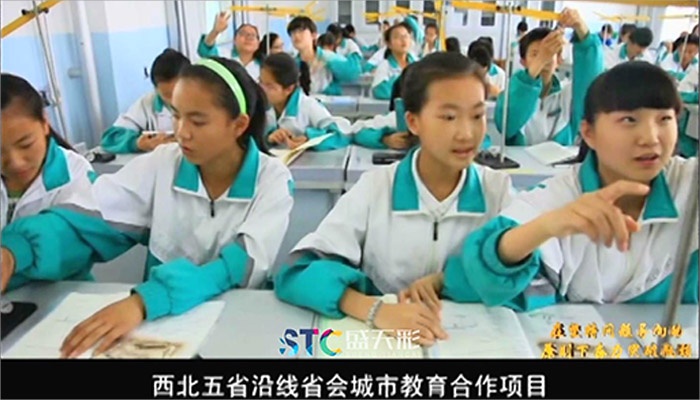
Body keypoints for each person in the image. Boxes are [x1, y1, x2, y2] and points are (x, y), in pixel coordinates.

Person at [0, 57, 295, 357]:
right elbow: (87, 220)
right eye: (176, 116)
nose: (182, 132)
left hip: (238, 322)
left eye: (197, 121)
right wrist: (14, 252)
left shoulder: (272, 179)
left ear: (239, 125)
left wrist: (146, 301)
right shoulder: (163, 164)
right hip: (164, 328)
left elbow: (239, 265)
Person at [275, 52, 514, 345]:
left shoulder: (497, 192)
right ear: (413, 121)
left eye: (477, 116)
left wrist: (448, 282)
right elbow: (298, 271)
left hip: (467, 343)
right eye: (449, 117)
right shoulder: (376, 189)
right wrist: (375, 310)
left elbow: (534, 282)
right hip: (387, 342)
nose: (467, 133)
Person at [439, 62, 698, 311]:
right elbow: (478, 270)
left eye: (664, 119)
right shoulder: (559, 198)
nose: (650, 138)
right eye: (629, 120)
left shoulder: (690, 185)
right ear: (589, 133)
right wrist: (547, 227)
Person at [1, 73, 97, 291]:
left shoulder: (75, 172)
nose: (15, 162)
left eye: (25, 144)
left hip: (64, 294)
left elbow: (73, 246)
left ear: (45, 123)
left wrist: (12, 258)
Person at [495, 9, 604, 146]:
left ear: (559, 60)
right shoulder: (511, 93)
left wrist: (581, 28)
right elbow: (506, 126)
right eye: (535, 54)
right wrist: (539, 62)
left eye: (549, 54)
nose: (544, 59)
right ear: (523, 61)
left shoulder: (568, 96)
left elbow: (591, 81)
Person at [101, 49, 190, 154]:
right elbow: (111, 137)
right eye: (167, 95)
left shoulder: (204, 99)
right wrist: (137, 143)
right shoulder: (147, 103)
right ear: (156, 89)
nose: (174, 100)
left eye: (179, 92)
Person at [261, 53, 351, 152]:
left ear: (289, 89)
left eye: (270, 86)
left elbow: (339, 134)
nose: (262, 90)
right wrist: (269, 138)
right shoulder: (262, 107)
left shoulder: (308, 106)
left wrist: (309, 138)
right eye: (260, 82)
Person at [287, 16, 361, 95]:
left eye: (301, 31)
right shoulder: (292, 64)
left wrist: (330, 64)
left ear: (313, 35)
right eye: (292, 33)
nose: (296, 35)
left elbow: (353, 74)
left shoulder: (328, 57)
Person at [198, 12, 262, 80]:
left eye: (252, 35)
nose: (248, 37)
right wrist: (215, 31)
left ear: (258, 43)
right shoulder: (224, 56)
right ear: (234, 40)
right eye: (243, 33)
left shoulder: (263, 66)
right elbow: (206, 49)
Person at [371, 22, 417, 100]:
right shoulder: (384, 66)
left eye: (406, 36)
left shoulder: (417, 64)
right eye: (397, 37)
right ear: (389, 44)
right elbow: (379, 90)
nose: (403, 40)